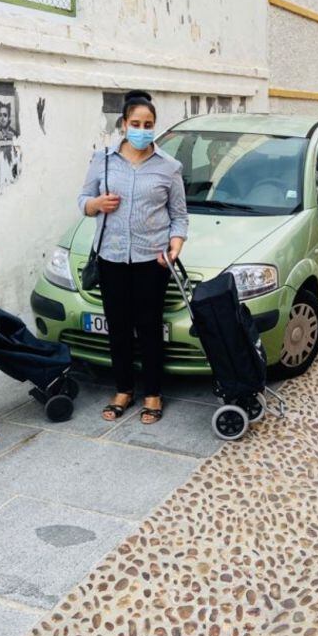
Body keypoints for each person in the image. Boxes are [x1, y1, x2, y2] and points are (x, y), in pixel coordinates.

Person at [77, 90, 189, 425]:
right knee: (119, 328)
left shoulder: (169, 168)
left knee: (150, 327)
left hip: (151, 261)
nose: (142, 129)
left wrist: (175, 245)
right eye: (136, 123)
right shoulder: (104, 160)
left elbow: (179, 215)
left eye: (148, 124)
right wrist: (95, 205)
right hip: (111, 258)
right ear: (123, 125)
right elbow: (82, 199)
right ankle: (123, 389)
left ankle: (153, 393)